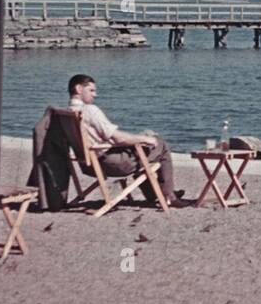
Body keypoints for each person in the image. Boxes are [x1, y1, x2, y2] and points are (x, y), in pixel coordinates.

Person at [67, 74, 183, 207]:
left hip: (88, 165)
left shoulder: (66, 112)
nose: (95, 95)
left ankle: (154, 194)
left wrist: (140, 137)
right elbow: (117, 138)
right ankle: (169, 195)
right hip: (109, 163)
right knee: (161, 145)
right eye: (91, 90)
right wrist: (145, 138)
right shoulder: (89, 110)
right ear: (79, 89)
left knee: (143, 146)